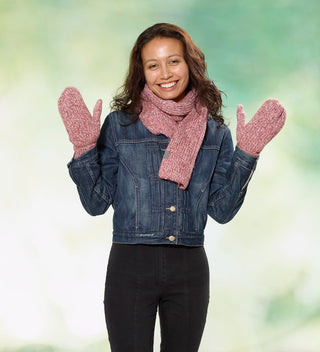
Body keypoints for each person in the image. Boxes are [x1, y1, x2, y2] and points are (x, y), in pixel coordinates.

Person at [58, 23, 286, 352]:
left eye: (173, 61)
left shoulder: (215, 132)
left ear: (190, 64)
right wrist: (84, 149)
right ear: (142, 72)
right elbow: (95, 203)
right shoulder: (120, 126)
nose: (165, 73)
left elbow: (221, 211)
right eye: (153, 65)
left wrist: (246, 154)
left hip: (189, 268)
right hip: (130, 265)